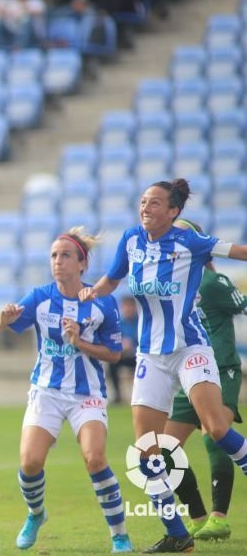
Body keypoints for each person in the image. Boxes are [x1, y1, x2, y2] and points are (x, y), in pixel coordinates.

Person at [80, 178, 247, 553]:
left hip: (190, 348)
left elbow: (237, 251)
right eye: (143, 201)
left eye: (155, 203)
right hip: (150, 356)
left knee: (217, 428)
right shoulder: (130, 240)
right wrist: (91, 292)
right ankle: (178, 535)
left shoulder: (190, 242)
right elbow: (112, 278)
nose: (146, 208)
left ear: (173, 212)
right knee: (147, 450)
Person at [0, 227, 133, 553]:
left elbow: (114, 354)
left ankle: (120, 534)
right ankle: (36, 514)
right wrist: (3, 317)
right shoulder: (40, 297)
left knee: (95, 459)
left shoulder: (102, 303)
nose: (58, 261)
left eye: (65, 255)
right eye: (54, 255)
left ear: (82, 264)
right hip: (47, 392)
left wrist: (79, 342)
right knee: (29, 462)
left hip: (88, 394)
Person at [163, 219, 246, 542]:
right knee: (164, 450)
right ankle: (197, 518)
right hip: (188, 373)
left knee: (215, 435)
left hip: (220, 368)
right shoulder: (172, 287)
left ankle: (219, 517)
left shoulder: (212, 283)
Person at [108, 295, 138, 404]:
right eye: (125, 307)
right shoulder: (118, 323)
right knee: (112, 363)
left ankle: (140, 395)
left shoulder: (140, 322)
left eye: (130, 306)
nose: (128, 309)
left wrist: (132, 345)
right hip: (123, 355)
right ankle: (117, 395)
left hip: (138, 356)